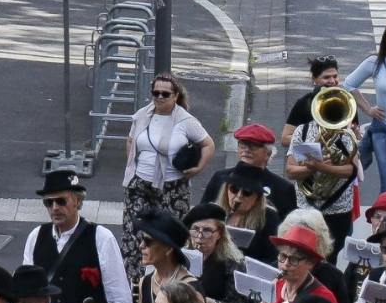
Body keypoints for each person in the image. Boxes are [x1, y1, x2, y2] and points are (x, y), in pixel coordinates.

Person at [122, 74, 215, 283]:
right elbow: (130, 140)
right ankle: (134, 285)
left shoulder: (185, 120)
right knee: (133, 236)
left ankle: (167, 284)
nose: (160, 97)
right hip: (139, 184)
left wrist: (198, 168)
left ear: (175, 96)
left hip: (172, 187)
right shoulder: (142, 115)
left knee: (168, 240)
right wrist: (133, 165)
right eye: (156, 93)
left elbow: (208, 144)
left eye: (165, 94)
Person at [25, 171, 132, 303]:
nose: (55, 207)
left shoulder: (101, 237)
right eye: (48, 202)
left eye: (61, 201)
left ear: (78, 200)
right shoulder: (35, 236)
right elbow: (27, 290)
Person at [286, 99, 360, 251]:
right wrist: (313, 169)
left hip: (339, 208)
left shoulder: (346, 135)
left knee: (331, 254)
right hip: (306, 207)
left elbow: (352, 171)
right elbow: (291, 171)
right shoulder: (302, 131)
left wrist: (322, 167)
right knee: (304, 252)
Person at [203, 124, 299, 217]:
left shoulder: (283, 189)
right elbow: (203, 212)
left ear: (268, 154)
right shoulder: (220, 178)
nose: (247, 150)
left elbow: (288, 225)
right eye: (242, 144)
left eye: (254, 146)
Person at [221, 163, 285, 266]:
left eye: (247, 191)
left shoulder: (268, 217)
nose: (239, 196)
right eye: (234, 188)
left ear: (257, 197)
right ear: (226, 189)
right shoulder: (218, 212)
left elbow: (273, 257)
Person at [282, 56, 344, 148]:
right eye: (326, 77)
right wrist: (314, 140)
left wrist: (356, 132)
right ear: (314, 79)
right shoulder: (304, 103)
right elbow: (285, 139)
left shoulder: (346, 100)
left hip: (341, 153)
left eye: (335, 76)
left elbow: (356, 136)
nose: (332, 81)